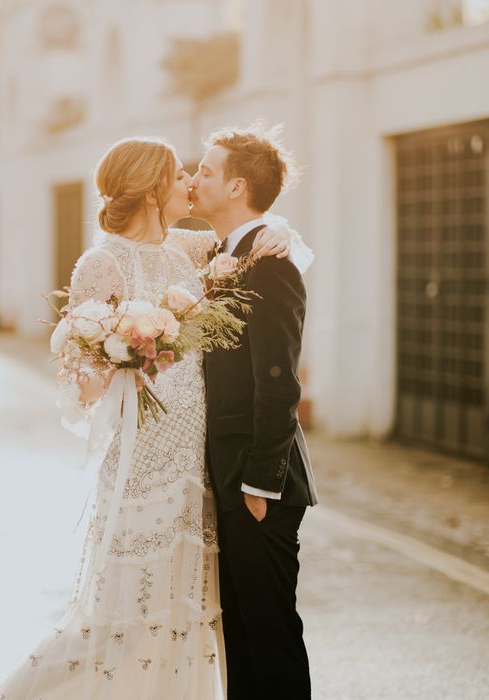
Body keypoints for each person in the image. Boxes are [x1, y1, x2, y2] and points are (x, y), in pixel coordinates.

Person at [0, 136, 307, 700]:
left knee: (188, 611)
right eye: (180, 174)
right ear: (154, 188)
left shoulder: (190, 251)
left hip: (198, 462)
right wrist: (119, 349)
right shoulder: (100, 263)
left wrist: (283, 231)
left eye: (198, 172)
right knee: (122, 612)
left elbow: (257, 237)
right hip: (141, 457)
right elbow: (82, 386)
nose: (189, 181)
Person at [191, 123, 318, 699]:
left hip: (259, 478)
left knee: (268, 633)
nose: (195, 180)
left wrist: (260, 483)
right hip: (228, 472)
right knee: (239, 630)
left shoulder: (270, 264)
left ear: (238, 185)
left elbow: (279, 381)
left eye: (207, 171)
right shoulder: (224, 253)